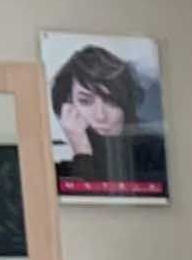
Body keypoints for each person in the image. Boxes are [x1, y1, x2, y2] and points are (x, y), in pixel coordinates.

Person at [48, 42, 165, 193]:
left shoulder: (153, 154)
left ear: (127, 103)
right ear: (67, 106)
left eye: (111, 101)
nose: (100, 115)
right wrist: (81, 150)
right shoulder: (57, 170)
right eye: (85, 101)